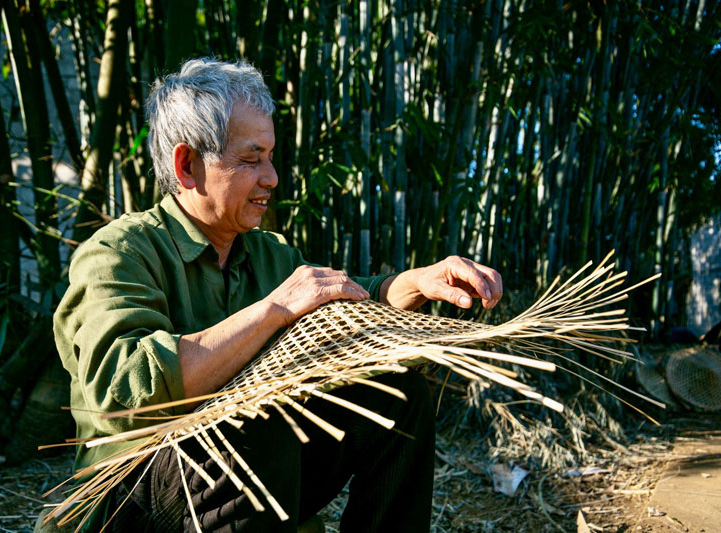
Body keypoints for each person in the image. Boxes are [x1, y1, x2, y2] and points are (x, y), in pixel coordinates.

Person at [54, 58, 503, 532]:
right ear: (188, 165)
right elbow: (124, 394)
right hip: (134, 497)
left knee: (397, 393)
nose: (271, 177)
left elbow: (337, 299)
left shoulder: (266, 254)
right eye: (250, 159)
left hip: (237, 483)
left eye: (270, 157)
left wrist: (411, 284)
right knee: (248, 425)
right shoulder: (117, 254)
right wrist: (274, 310)